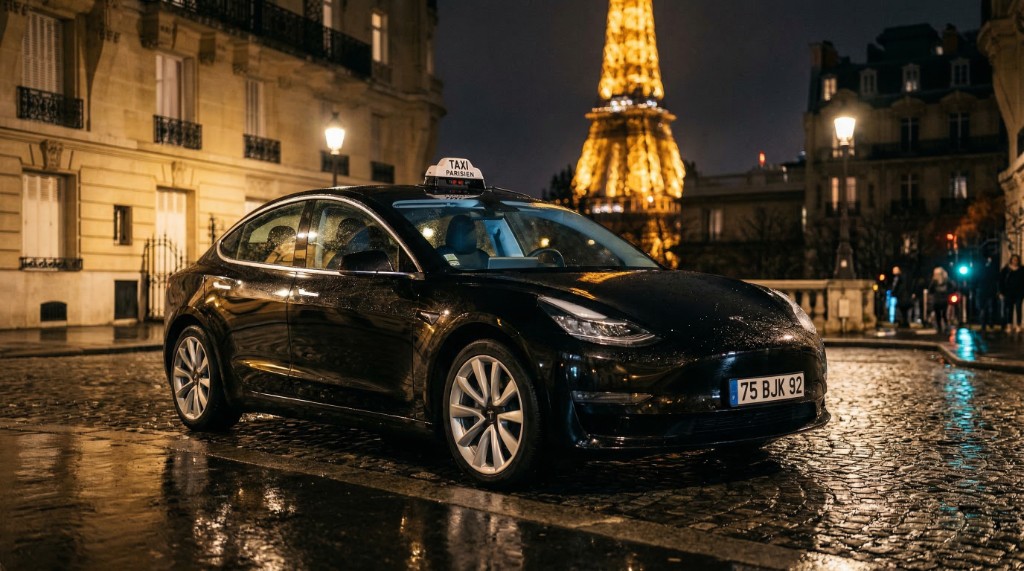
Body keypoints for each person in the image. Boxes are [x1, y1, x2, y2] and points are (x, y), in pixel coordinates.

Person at [975, 256, 1000, 332]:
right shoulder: (988, 269)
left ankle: (986, 324)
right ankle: (986, 324)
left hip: (986, 290)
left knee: (987, 308)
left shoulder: (981, 269)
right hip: (985, 290)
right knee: (986, 308)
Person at [1001, 254, 1024, 333]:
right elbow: (1001, 281)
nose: (1015, 261)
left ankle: (1018, 325)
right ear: (1011, 260)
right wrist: (1001, 292)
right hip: (1009, 292)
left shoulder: (1022, 269)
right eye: (1013, 260)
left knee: (1018, 309)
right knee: (1009, 309)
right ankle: (1009, 325)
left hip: (1019, 292)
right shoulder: (1006, 269)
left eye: (1016, 260)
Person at [928, 266, 951, 333]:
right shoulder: (936, 282)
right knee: (941, 315)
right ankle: (942, 327)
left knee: (942, 314)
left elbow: (930, 290)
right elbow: (930, 290)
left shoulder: (945, 281)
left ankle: (943, 327)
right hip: (939, 300)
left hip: (941, 300)